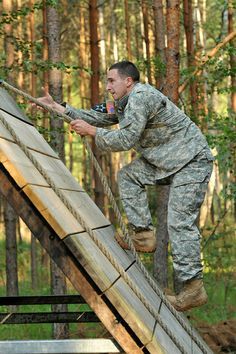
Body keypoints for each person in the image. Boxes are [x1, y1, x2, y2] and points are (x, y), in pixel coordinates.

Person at [34, 61, 214, 312]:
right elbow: (96, 116)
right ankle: (142, 235)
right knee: (129, 176)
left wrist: (93, 133)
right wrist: (59, 108)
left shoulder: (140, 97)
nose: (107, 86)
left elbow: (126, 139)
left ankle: (193, 289)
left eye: (111, 81)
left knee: (179, 221)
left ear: (128, 81)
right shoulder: (122, 102)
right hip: (167, 159)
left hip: (192, 160)